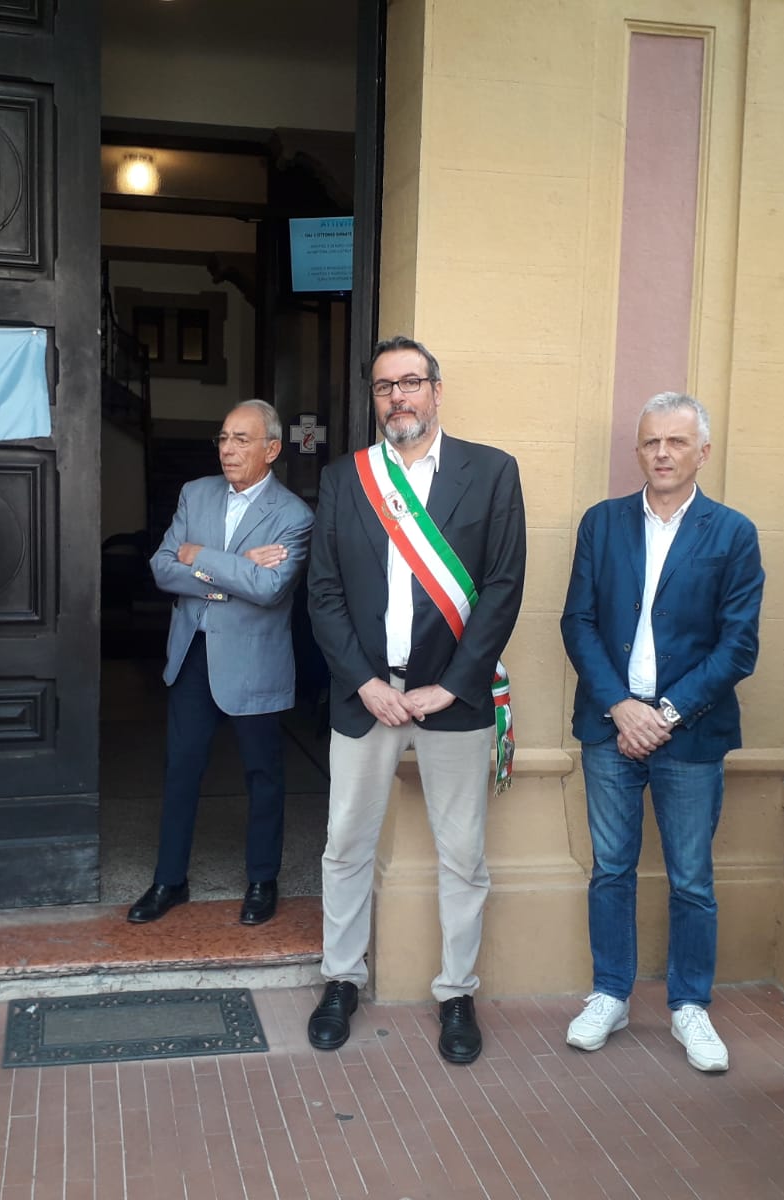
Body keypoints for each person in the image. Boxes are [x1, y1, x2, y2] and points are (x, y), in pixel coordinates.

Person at [305, 335, 526, 1065]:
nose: (397, 396)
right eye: (384, 387)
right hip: (365, 694)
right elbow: (324, 591)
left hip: (451, 697)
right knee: (345, 846)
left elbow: (503, 587)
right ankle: (341, 979)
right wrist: (365, 683)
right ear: (374, 400)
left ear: (436, 390)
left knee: (462, 854)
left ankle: (456, 992)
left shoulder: (491, 472)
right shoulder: (346, 479)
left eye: (410, 382)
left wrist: (453, 684)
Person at [560, 392, 764, 1073]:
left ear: (703, 451)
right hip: (610, 726)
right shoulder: (603, 523)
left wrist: (666, 714)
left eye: (677, 442)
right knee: (611, 869)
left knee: (692, 879)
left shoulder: (732, 533)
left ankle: (690, 1006)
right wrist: (622, 707)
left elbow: (738, 647)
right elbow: (577, 623)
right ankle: (610, 994)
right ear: (638, 450)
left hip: (691, 735)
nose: (663, 453)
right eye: (651, 442)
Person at [128, 400, 313, 927]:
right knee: (181, 769)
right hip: (192, 654)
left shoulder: (293, 516)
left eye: (241, 440)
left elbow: (270, 588)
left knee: (263, 774)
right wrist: (234, 570)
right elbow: (162, 568)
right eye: (224, 438)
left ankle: (262, 880)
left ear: (271, 449)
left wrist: (200, 556)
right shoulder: (196, 493)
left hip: (255, 663)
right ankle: (169, 879)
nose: (228, 450)